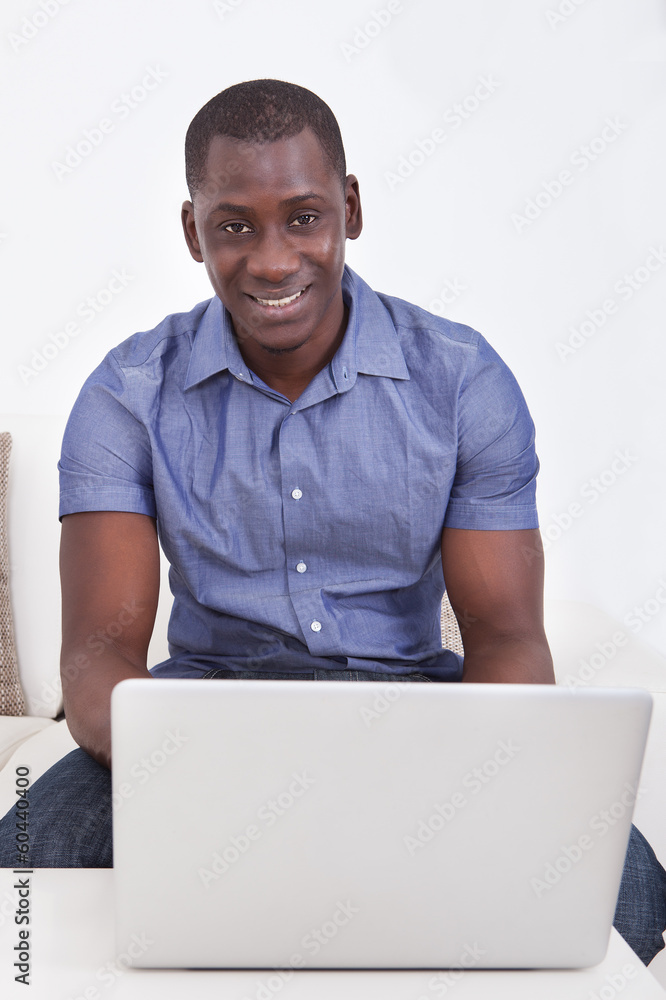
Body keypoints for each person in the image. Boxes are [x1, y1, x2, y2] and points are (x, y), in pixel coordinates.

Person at [1, 79, 664, 964]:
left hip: (417, 720)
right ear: (194, 232)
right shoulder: (129, 394)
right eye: (234, 226)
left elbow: (508, 638)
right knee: (22, 868)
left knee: (625, 891)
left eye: (304, 217)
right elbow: (96, 658)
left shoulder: (462, 381)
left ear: (350, 208)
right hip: (202, 726)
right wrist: (208, 775)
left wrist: (453, 779)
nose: (273, 261)